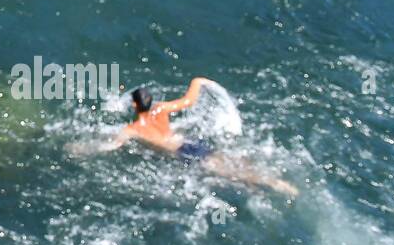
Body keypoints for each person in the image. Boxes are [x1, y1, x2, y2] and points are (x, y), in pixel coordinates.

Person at [72, 78, 299, 197]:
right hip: (190, 144)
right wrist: (198, 82)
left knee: (227, 172)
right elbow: (189, 101)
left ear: (134, 104)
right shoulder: (160, 109)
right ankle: (266, 181)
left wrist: (83, 149)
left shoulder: (133, 129)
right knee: (228, 163)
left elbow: (111, 146)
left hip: (183, 153)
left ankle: (273, 184)